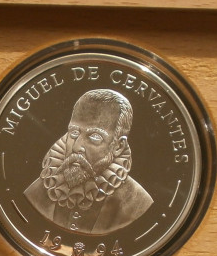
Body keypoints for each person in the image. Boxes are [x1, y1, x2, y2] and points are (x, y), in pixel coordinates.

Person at [24, 89, 153, 234]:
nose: (76, 147)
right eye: (74, 133)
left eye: (95, 137)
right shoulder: (39, 190)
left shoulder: (137, 202)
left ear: (118, 146)